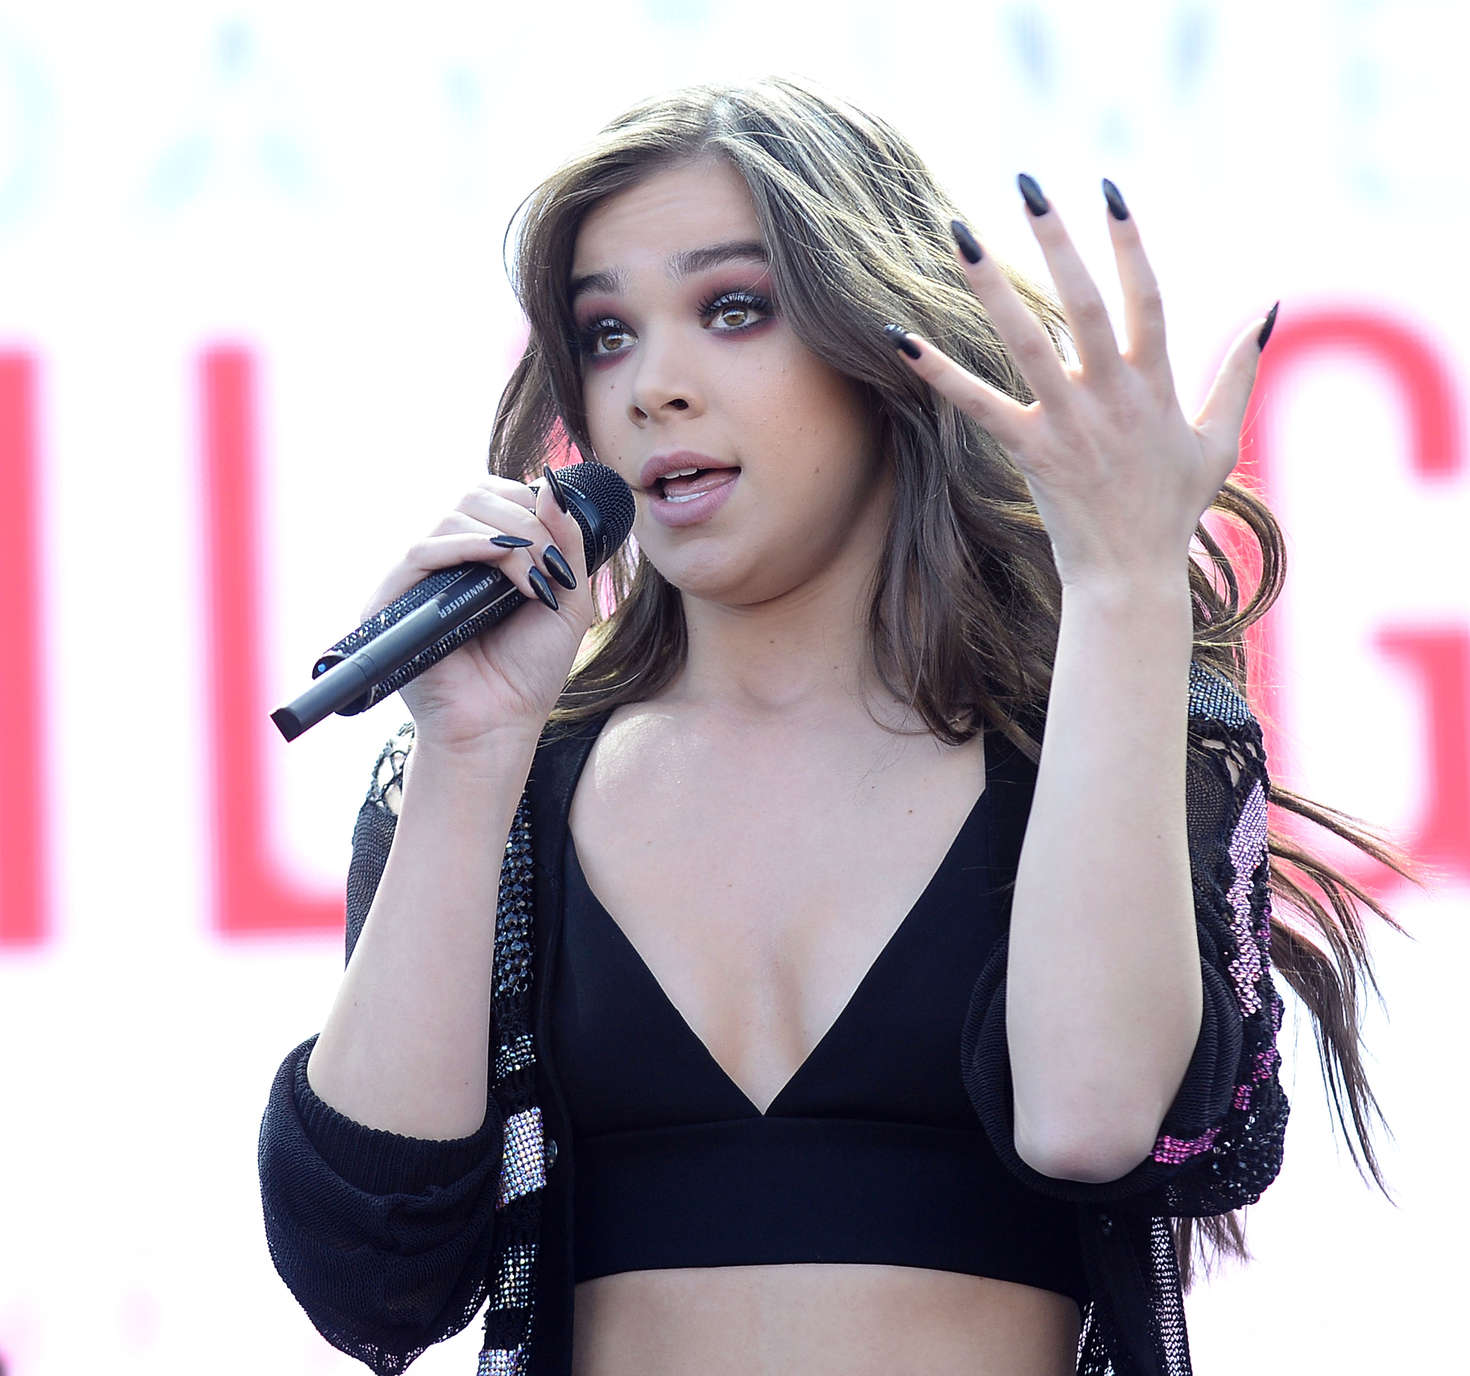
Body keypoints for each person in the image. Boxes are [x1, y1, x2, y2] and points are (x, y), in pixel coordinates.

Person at [258, 76, 1415, 1376]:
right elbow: (369, 1278)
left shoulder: (1092, 741)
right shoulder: (500, 784)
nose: (654, 386)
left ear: (878, 342)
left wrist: (1124, 579)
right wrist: (469, 757)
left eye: (732, 309)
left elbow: (1098, 1122)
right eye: (604, 334)